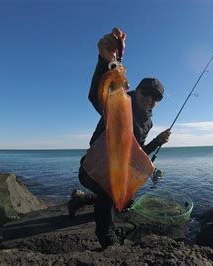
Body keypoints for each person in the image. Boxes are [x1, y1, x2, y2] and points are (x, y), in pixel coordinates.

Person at [68, 28, 171, 248]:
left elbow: (136, 151)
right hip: (93, 170)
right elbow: (95, 96)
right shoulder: (118, 103)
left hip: (115, 171)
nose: (150, 100)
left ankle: (82, 199)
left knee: (127, 199)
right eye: (146, 93)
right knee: (110, 193)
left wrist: (157, 142)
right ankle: (106, 237)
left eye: (156, 98)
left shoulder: (148, 122)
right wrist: (105, 61)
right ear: (137, 91)